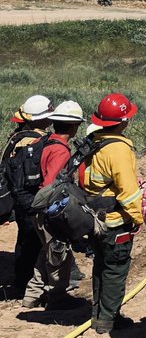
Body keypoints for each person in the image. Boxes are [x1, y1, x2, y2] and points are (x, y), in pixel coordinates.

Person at [82, 93, 144, 335]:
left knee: (101, 266)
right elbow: (128, 191)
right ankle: (108, 320)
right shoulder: (117, 149)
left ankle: (98, 315)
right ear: (123, 121)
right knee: (115, 270)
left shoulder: (94, 141)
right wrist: (137, 218)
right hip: (115, 222)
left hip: (94, 219)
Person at [22, 101, 85, 309]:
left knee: (46, 252)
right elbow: (52, 183)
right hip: (50, 209)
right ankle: (58, 297)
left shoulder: (47, 141)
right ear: (74, 126)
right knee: (59, 254)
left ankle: (32, 295)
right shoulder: (61, 151)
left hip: (38, 208)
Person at [2, 94, 53, 299]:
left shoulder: (19, 136)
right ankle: (23, 283)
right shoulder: (33, 141)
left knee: (27, 238)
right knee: (31, 239)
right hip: (28, 197)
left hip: (18, 196)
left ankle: (24, 279)